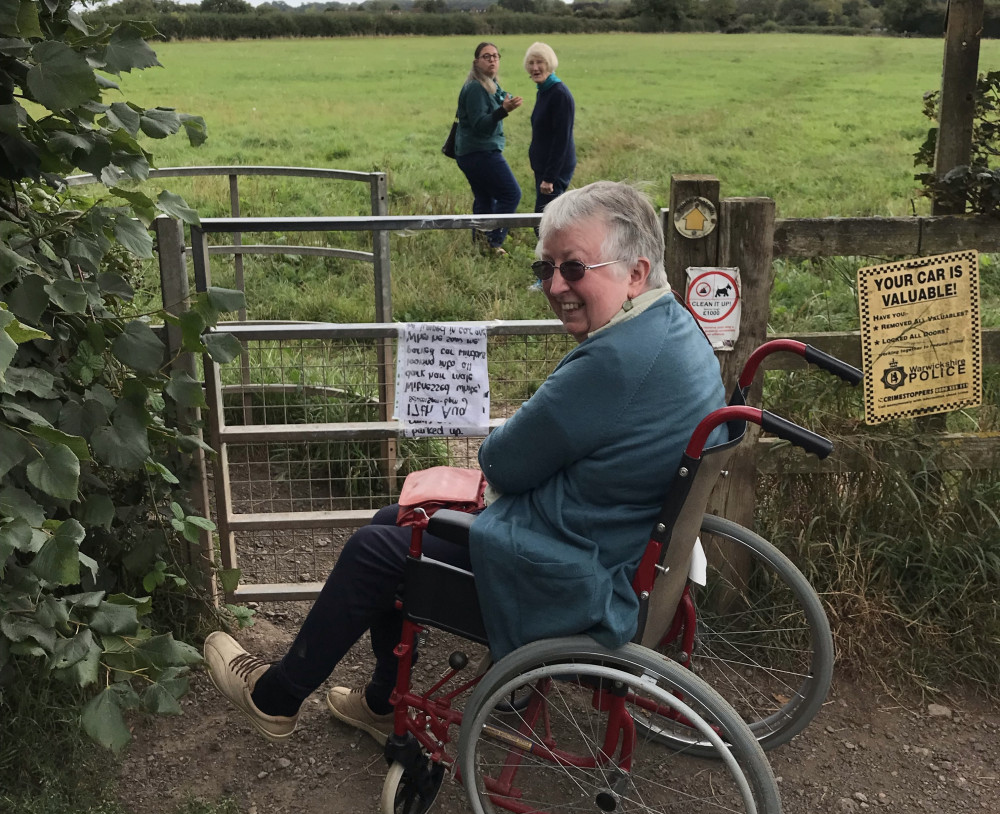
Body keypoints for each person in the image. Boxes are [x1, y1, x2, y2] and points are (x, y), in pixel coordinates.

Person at [203, 181, 727, 746]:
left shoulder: (615, 361)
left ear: (635, 271)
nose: (554, 286)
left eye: (573, 269)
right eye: (544, 267)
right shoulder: (674, 329)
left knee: (377, 548)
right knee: (396, 525)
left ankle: (275, 698)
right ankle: (381, 701)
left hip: (579, 576)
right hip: (618, 545)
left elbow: (502, 462)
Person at [453, 41, 523, 256]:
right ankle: (493, 243)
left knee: (484, 198)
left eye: (495, 56)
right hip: (479, 152)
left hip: (473, 152)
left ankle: (481, 244)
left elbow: (500, 100)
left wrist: (506, 103)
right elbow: (480, 125)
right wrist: (503, 111)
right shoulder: (475, 87)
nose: (492, 59)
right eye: (486, 56)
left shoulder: (491, 84)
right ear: (476, 62)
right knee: (511, 194)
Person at [524, 42, 576, 218]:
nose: (535, 67)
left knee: (545, 224)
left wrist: (550, 178)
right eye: (531, 63)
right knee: (546, 221)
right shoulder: (544, 91)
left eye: (540, 62)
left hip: (554, 171)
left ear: (550, 64)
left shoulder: (559, 94)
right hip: (544, 167)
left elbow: (562, 140)